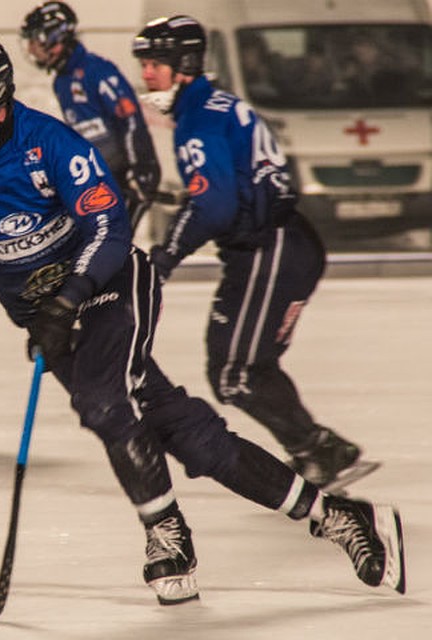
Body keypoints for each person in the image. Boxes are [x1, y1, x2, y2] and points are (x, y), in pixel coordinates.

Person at [0, 34, 405, 605]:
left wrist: (68, 299)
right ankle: (338, 516)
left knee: (103, 402)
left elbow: (109, 230)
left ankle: (165, 532)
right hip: (46, 316)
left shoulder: (49, 142)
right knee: (188, 437)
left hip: (110, 286)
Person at [132, 15, 371, 491]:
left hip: (270, 248)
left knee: (235, 373)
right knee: (242, 369)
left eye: (155, 64)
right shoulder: (216, 107)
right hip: (280, 244)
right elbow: (225, 189)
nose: (146, 75)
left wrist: (167, 254)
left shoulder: (198, 119)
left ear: (184, 65)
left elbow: (214, 204)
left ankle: (319, 450)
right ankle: (319, 450)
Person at [20, 1, 160, 226]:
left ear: (54, 38)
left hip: (125, 178)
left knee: (112, 244)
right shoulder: (62, 81)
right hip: (98, 179)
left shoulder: (97, 70)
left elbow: (131, 120)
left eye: (35, 41)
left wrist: (141, 168)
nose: (31, 49)